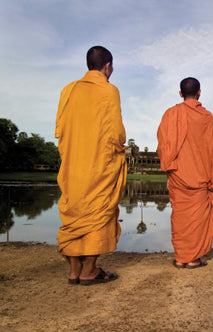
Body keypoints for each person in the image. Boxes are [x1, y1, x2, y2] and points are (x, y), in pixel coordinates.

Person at [55, 46, 127, 285]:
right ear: (108, 66)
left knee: (75, 213)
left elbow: (61, 130)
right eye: (112, 67)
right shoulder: (109, 90)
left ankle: (74, 270)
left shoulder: (68, 90)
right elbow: (116, 135)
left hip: (74, 165)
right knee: (99, 212)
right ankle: (89, 269)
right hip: (99, 167)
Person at [157, 77, 213, 269]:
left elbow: (163, 145)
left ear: (180, 93)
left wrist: (170, 167)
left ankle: (181, 257)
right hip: (200, 175)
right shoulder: (206, 116)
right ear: (199, 92)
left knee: (180, 217)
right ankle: (192, 258)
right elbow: (211, 149)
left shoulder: (171, 114)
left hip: (178, 174)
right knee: (196, 218)